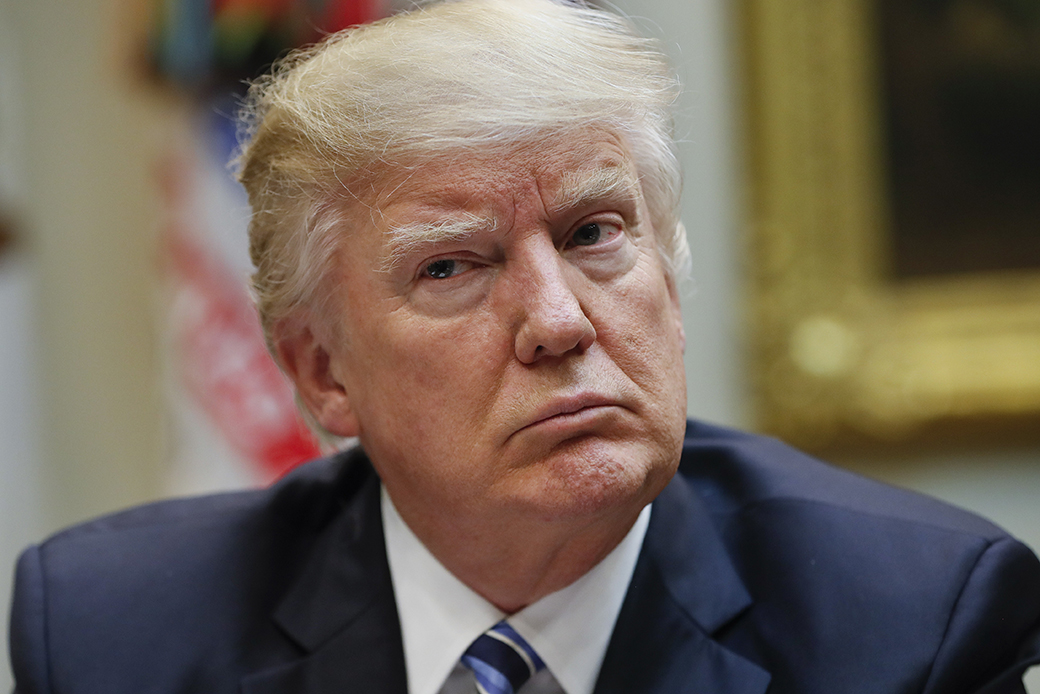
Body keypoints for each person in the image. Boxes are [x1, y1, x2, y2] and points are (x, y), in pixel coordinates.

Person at [8, 0, 1040, 692]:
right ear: (323, 373)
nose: (559, 320)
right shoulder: (116, 636)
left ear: (669, 280)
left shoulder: (914, 627)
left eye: (593, 234)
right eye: (452, 266)